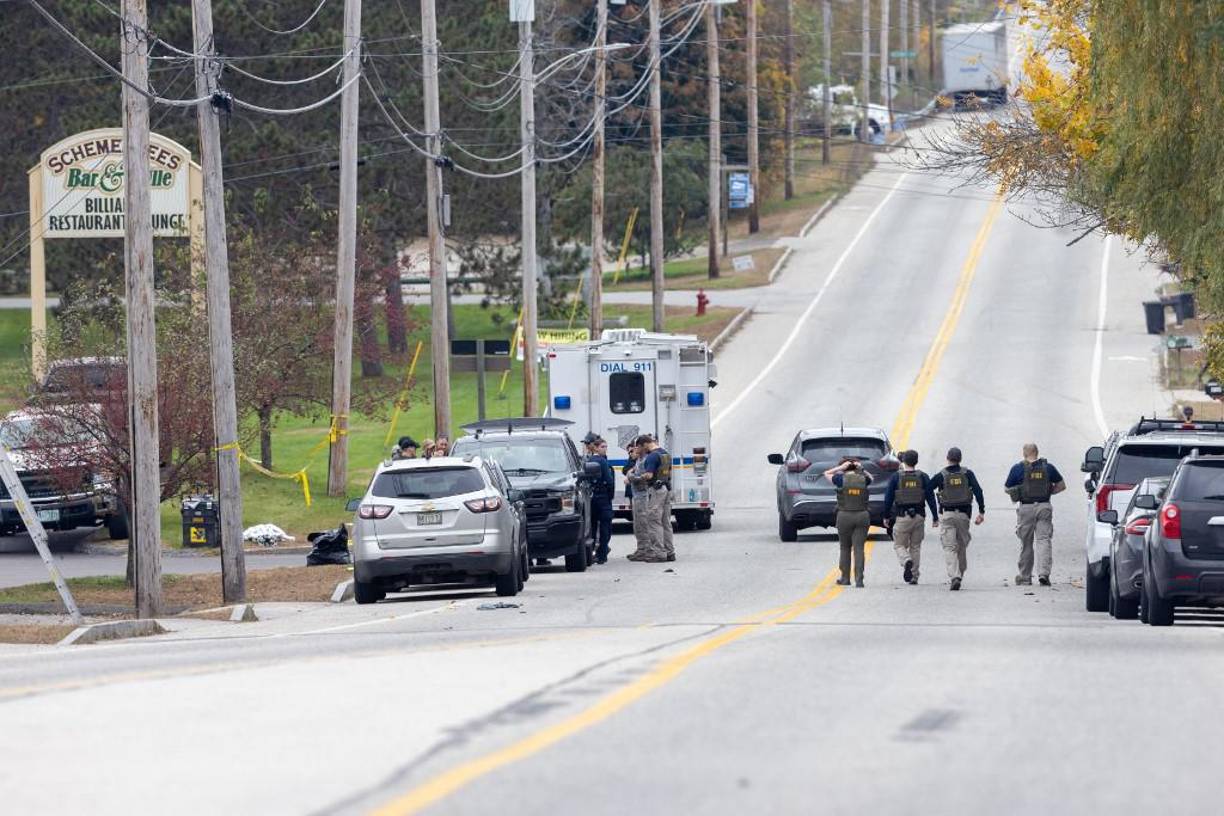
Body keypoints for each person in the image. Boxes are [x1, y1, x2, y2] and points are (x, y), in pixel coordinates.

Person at [1004, 443, 1066, 586]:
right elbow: (1062, 485)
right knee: (1044, 540)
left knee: (1026, 543)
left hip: (1026, 508)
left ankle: (1025, 577)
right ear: (1037, 452)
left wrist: (1019, 491)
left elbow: (1007, 488)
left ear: (1024, 453)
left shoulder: (1018, 468)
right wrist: (1049, 491)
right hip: (1044, 507)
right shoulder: (1048, 467)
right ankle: (1044, 574)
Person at [929, 447, 986, 591]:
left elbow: (928, 488)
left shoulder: (941, 475)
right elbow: (978, 491)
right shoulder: (967, 474)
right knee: (961, 546)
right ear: (960, 459)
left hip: (947, 515)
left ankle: (955, 576)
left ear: (947, 458)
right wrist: (981, 511)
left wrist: (934, 513)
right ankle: (960, 573)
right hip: (964, 516)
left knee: (950, 547)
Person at [884, 449, 939, 585]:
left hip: (902, 517)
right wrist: (935, 517)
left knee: (899, 545)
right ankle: (914, 576)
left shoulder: (896, 477)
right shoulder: (923, 477)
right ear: (916, 461)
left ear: (903, 461)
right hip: (919, 516)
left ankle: (906, 560)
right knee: (915, 547)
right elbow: (930, 498)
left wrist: (886, 516)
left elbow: (888, 498)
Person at [825, 457, 872, 587]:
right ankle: (859, 579)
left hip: (844, 515)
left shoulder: (840, 479)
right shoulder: (863, 479)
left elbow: (826, 473)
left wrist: (840, 468)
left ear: (844, 468)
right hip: (862, 515)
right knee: (859, 548)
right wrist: (862, 469)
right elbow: (871, 478)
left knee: (845, 547)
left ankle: (845, 578)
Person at [628, 434, 674, 562]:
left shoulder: (652, 456)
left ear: (644, 444)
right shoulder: (665, 454)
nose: (638, 450)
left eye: (639, 447)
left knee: (653, 521)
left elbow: (649, 475)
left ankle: (659, 553)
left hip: (656, 490)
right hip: (666, 488)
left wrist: (634, 477)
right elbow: (669, 473)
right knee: (665, 522)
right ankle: (670, 551)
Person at [587, 437, 615, 564]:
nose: (605, 449)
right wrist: (609, 497)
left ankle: (591, 553)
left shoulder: (588, 460)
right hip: (603, 497)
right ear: (596, 448)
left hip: (591, 497)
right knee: (605, 527)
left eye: (606, 447)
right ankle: (602, 554)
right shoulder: (602, 461)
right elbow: (609, 481)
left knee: (592, 527)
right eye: (602, 447)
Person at [625, 437, 651, 561]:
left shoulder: (646, 460)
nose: (635, 449)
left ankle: (647, 549)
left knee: (643, 524)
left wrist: (630, 476)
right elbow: (630, 471)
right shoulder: (638, 460)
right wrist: (631, 474)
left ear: (642, 447)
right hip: (636, 495)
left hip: (643, 496)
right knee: (637, 525)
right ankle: (641, 549)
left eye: (637, 446)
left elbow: (642, 478)